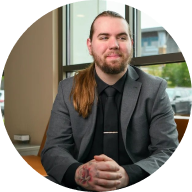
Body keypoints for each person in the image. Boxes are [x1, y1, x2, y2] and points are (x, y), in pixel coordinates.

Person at [41, 11, 179, 191]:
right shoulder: (68, 89)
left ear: (131, 43)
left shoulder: (155, 89)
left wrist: (128, 175)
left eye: (121, 37)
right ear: (90, 45)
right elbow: (54, 149)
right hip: (81, 184)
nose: (113, 45)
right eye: (104, 37)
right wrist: (81, 174)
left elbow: (167, 151)